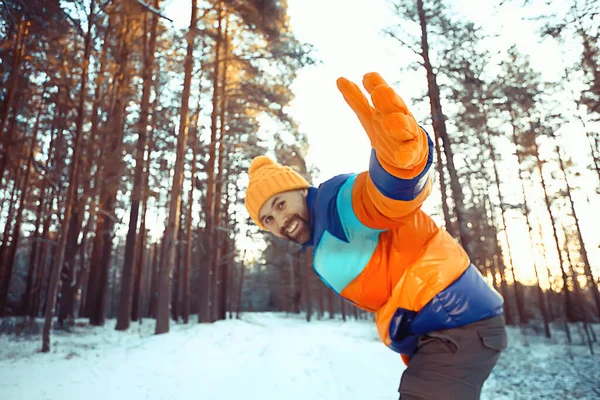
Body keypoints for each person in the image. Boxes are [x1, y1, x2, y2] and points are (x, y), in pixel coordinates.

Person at [243, 72, 507, 399]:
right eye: (268, 219)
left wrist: (400, 166)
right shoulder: (321, 243)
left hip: (457, 321)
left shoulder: (335, 204)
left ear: (301, 189)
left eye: (281, 204)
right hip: (438, 332)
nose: (280, 221)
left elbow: (381, 200)